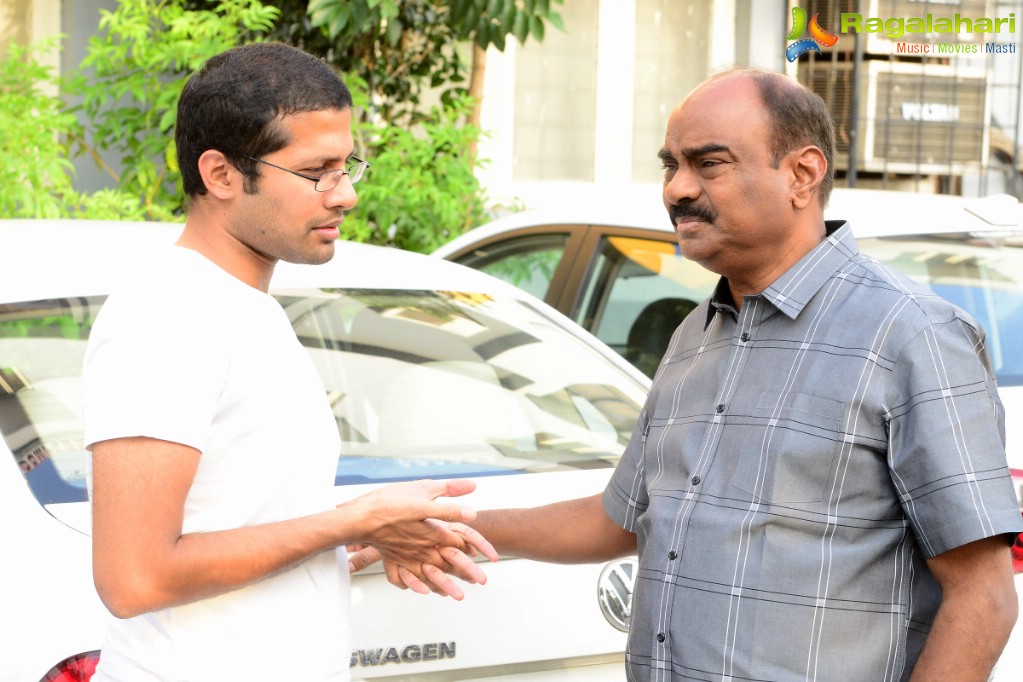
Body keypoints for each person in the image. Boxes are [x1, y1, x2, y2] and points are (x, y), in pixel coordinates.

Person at [353, 67, 1022, 680]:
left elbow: (983, 596)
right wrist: (443, 527)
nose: (677, 189)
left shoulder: (909, 335)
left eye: (709, 163)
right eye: (670, 165)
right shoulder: (695, 334)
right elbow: (620, 519)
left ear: (802, 173)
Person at [82, 42, 495, 682]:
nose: (346, 195)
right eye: (317, 171)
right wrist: (350, 519)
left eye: (349, 164)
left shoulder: (247, 309)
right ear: (220, 174)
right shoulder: (167, 315)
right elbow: (135, 578)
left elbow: (240, 518)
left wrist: (346, 537)